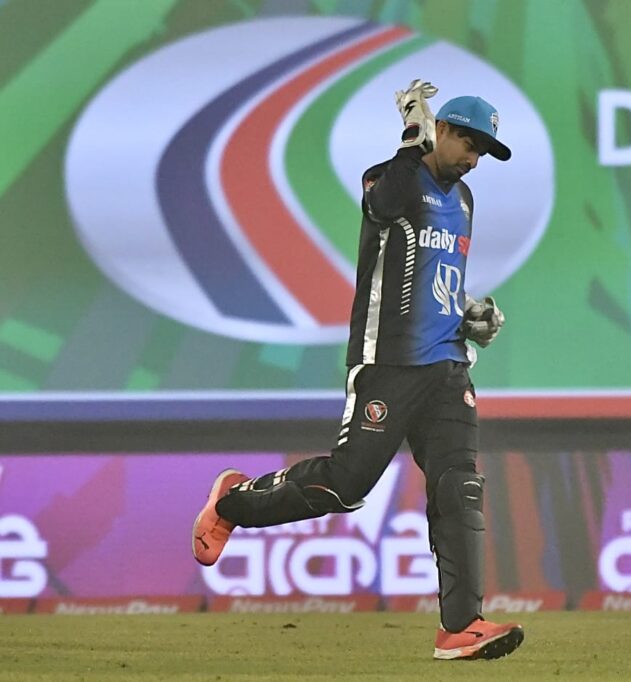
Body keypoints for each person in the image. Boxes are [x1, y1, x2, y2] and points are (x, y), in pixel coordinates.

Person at [191, 80, 524, 660]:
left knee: (460, 487)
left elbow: (435, 275)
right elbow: (382, 207)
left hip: (447, 369)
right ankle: (232, 502)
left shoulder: (465, 200)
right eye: (469, 144)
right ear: (441, 129)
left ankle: (460, 626)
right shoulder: (390, 177)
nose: (474, 160)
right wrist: (410, 141)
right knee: (343, 486)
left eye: (483, 153)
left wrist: (469, 315)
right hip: (387, 364)